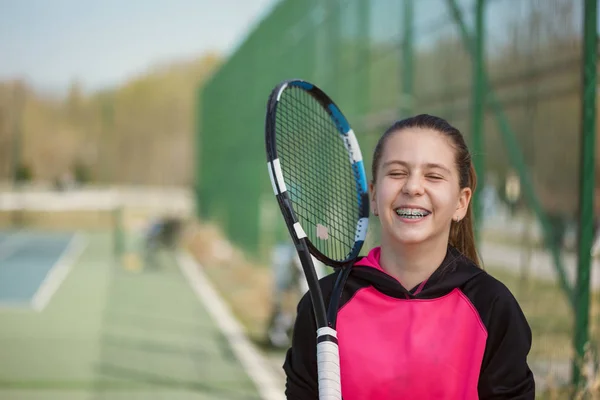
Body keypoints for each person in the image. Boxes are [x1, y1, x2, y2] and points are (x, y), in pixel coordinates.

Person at [283, 114, 535, 399]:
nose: (413, 187)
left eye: (434, 176)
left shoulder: (492, 306)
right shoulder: (326, 304)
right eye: (397, 173)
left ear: (461, 203)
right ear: (375, 195)